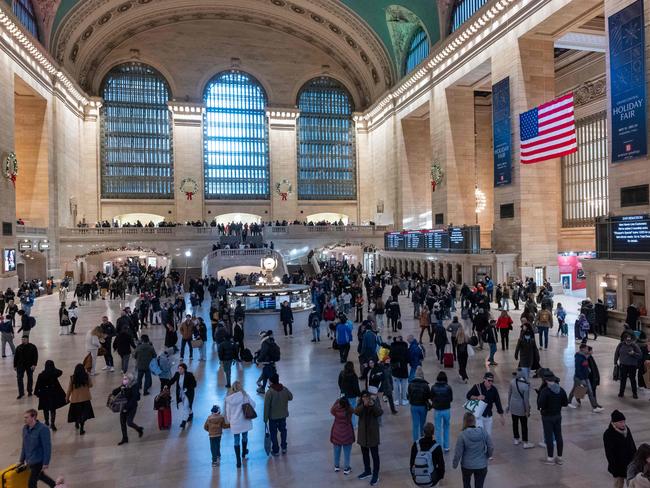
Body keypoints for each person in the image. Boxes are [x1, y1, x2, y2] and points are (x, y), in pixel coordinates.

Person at [452, 412, 493, 488]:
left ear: (464, 421)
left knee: (466, 484)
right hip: (481, 464)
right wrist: (487, 455)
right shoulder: (483, 432)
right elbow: (491, 446)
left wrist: (455, 464)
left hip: (467, 465)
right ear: (474, 421)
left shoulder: (462, 435)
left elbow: (458, 452)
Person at [537, 370, 568, 465]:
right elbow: (565, 403)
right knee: (559, 436)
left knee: (549, 437)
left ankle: (550, 458)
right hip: (558, 416)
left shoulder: (545, 391)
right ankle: (559, 457)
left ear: (546, 381)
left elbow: (540, 404)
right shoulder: (561, 390)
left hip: (547, 417)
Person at [20, 409, 56, 488]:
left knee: (31, 484)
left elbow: (47, 447)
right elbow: (24, 445)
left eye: (26, 417)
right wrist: (21, 460)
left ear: (34, 417)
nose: (24, 419)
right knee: (41, 476)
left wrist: (46, 462)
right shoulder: (25, 429)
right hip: (30, 461)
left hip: (38, 461)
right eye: (24, 417)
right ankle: (55, 485)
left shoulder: (43, 429)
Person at [224, 381, 255, 468]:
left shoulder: (229, 399)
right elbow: (254, 405)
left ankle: (238, 462)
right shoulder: (245, 396)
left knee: (236, 440)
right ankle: (244, 453)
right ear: (240, 387)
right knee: (245, 437)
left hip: (235, 423)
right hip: (244, 421)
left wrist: (230, 421)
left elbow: (228, 413)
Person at [355, 390, 383, 486]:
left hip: (373, 435)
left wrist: (372, 405)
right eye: (363, 397)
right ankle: (367, 471)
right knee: (365, 454)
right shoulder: (360, 403)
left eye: (367, 397)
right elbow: (356, 412)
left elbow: (380, 412)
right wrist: (364, 405)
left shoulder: (374, 402)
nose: (365, 399)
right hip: (363, 435)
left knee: (375, 456)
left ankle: (375, 475)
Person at [604, 409, 637, 488]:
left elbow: (632, 444)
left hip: (630, 463)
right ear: (614, 423)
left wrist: (636, 459)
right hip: (618, 466)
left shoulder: (627, 429)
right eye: (620, 422)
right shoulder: (608, 434)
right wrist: (614, 468)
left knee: (632, 484)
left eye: (624, 421)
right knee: (618, 485)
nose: (623, 424)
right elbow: (609, 453)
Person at [465, 372, 504, 436]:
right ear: (484, 379)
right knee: (480, 434)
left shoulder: (494, 390)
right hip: (479, 416)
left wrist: (501, 416)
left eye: (492, 381)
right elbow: (468, 396)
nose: (490, 382)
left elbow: (498, 402)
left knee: (488, 435)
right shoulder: (477, 387)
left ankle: (486, 446)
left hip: (489, 416)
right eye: (489, 380)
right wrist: (477, 397)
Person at [264, 373, 293, 456]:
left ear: (270, 382)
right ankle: (284, 447)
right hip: (283, 415)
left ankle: (276, 450)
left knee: (273, 433)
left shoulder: (269, 392)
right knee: (283, 430)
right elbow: (291, 397)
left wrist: (265, 419)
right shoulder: (284, 389)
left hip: (273, 417)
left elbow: (266, 407)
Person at [568, 343, 603, 412]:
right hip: (579, 378)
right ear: (582, 349)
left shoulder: (584, 356)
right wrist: (581, 379)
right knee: (576, 390)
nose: (587, 350)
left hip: (585, 377)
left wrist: (588, 369)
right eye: (586, 349)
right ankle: (569, 402)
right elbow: (578, 369)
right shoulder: (578, 358)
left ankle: (594, 407)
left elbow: (585, 365)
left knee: (589, 391)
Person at [33, 360, 67, 432]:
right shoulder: (54, 374)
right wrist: (53, 369)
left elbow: (38, 385)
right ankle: (53, 424)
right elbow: (60, 371)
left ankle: (47, 421)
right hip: (52, 394)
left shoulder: (41, 375)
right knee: (52, 409)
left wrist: (36, 393)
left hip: (44, 394)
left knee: (45, 409)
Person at [112, 373, 144, 445]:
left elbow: (134, 398)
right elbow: (114, 392)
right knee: (122, 423)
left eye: (126, 379)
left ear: (130, 379)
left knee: (129, 422)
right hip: (123, 406)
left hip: (132, 407)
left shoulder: (134, 386)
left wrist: (126, 408)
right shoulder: (124, 385)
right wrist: (120, 388)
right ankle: (125, 438)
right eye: (124, 378)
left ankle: (139, 429)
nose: (124, 380)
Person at [410, 422, 445, 486]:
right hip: (432, 480)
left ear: (423, 432)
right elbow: (441, 466)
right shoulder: (437, 447)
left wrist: (414, 477)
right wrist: (439, 478)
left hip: (418, 480)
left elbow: (411, 463)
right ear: (433, 433)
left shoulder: (416, 445)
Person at [507, 368, 534, 448]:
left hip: (513, 405)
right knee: (524, 425)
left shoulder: (512, 382)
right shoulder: (525, 386)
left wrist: (509, 405)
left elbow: (509, 394)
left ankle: (516, 439)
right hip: (521, 407)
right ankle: (525, 442)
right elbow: (526, 400)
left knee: (514, 423)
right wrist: (527, 411)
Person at [65, 363, 94, 435]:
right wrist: (88, 376)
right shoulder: (86, 376)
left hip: (75, 399)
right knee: (84, 414)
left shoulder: (72, 378)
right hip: (85, 399)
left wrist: (67, 398)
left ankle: (77, 423)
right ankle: (82, 428)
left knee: (76, 413)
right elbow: (91, 385)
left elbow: (69, 389)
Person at [330, 397, 355, 475]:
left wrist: (337, 400)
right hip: (347, 434)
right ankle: (346, 468)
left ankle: (336, 466)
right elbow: (353, 410)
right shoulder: (349, 410)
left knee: (336, 451)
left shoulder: (336, 409)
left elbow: (331, 410)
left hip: (336, 433)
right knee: (347, 453)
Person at [168, 363, 197, 429]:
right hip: (181, 394)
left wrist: (187, 388)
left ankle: (183, 422)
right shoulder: (177, 374)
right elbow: (172, 380)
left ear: (184, 369)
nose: (179, 370)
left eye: (181, 369)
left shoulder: (189, 375)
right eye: (179, 369)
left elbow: (194, 384)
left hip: (189, 394)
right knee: (187, 406)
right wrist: (167, 385)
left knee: (185, 407)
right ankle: (191, 414)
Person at [430, 372, 453, 452]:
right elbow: (451, 399)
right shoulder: (448, 387)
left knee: (438, 429)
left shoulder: (433, 387)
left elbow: (431, 398)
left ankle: (439, 447)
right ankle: (446, 446)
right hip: (446, 409)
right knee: (446, 427)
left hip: (437, 410)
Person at [615, 333, 642, 399]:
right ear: (624, 339)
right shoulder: (621, 344)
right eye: (627, 340)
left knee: (632, 379)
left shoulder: (635, 346)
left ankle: (634, 393)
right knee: (623, 379)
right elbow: (616, 353)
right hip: (623, 365)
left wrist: (633, 354)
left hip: (632, 366)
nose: (628, 341)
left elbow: (640, 355)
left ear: (632, 340)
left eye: (629, 340)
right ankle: (621, 392)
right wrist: (615, 362)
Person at [408, 367, 430, 442]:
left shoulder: (411, 384)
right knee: (423, 424)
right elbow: (428, 396)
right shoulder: (425, 385)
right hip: (423, 406)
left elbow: (408, 395)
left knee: (415, 425)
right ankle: (422, 439)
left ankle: (415, 442)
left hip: (414, 406)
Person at [389, 335, 409, 406]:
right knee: (404, 385)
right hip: (404, 369)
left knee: (395, 385)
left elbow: (390, 356)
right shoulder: (405, 347)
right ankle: (404, 399)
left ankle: (396, 400)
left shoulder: (393, 347)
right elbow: (408, 358)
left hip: (395, 369)